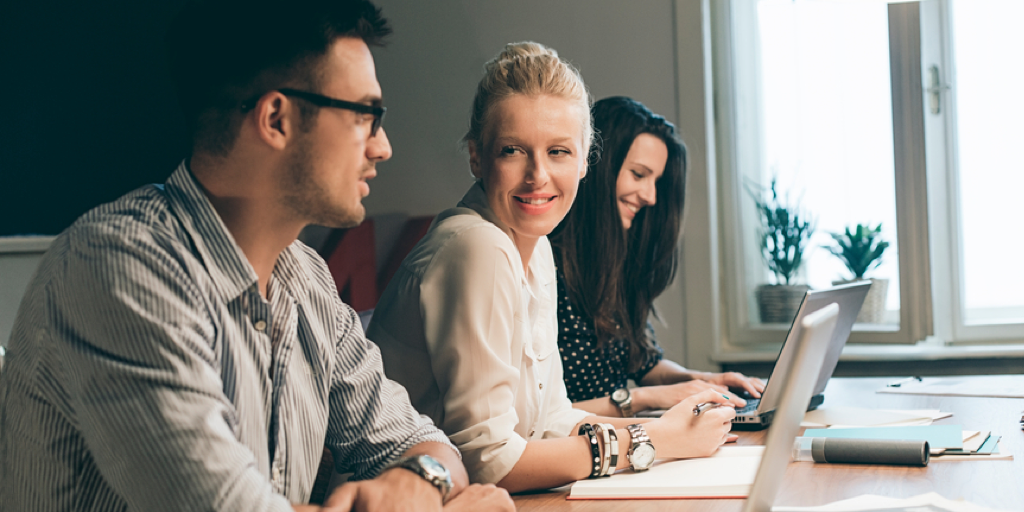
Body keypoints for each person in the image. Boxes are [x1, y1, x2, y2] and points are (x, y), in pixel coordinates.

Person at [0, 1, 514, 511]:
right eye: (367, 115)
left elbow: (423, 444)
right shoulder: (119, 267)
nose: (383, 147)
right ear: (276, 118)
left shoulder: (305, 275)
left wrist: (423, 482)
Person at [367, 42, 737, 494]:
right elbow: (488, 461)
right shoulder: (478, 246)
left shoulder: (535, 247)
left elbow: (552, 420)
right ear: (476, 157)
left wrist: (674, 430)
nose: (537, 175)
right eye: (513, 151)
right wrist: (656, 439)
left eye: (558, 151)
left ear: (585, 161)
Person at [550, 96, 765, 418]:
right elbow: (539, 422)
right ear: (593, 166)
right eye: (638, 174)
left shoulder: (613, 262)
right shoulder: (543, 265)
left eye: (656, 182)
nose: (650, 196)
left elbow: (645, 363)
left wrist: (702, 379)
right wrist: (648, 398)